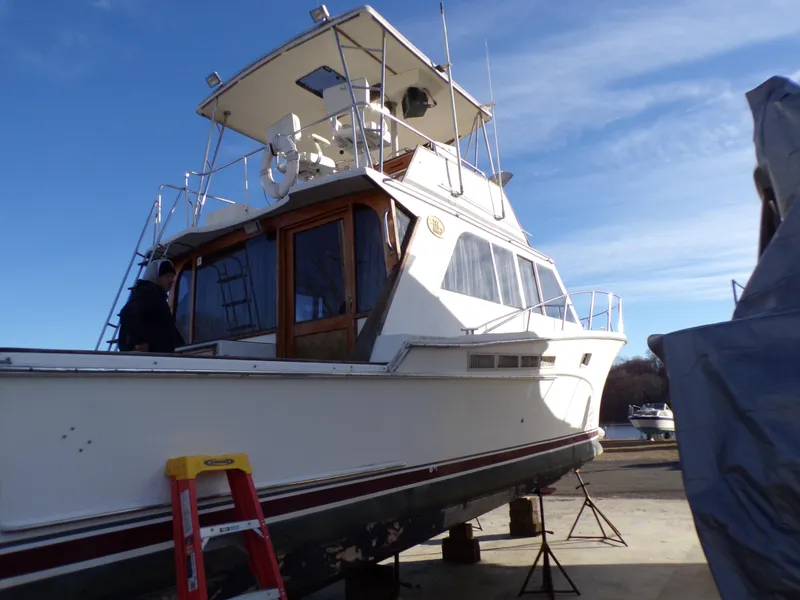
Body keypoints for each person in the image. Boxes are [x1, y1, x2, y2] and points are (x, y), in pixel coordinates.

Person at [118, 258, 186, 353]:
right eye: (167, 276)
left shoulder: (158, 297)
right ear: (156, 277)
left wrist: (181, 347)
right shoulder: (148, 293)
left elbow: (164, 328)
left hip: (157, 359)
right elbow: (128, 313)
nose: (172, 280)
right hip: (148, 360)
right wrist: (141, 343)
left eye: (172, 277)